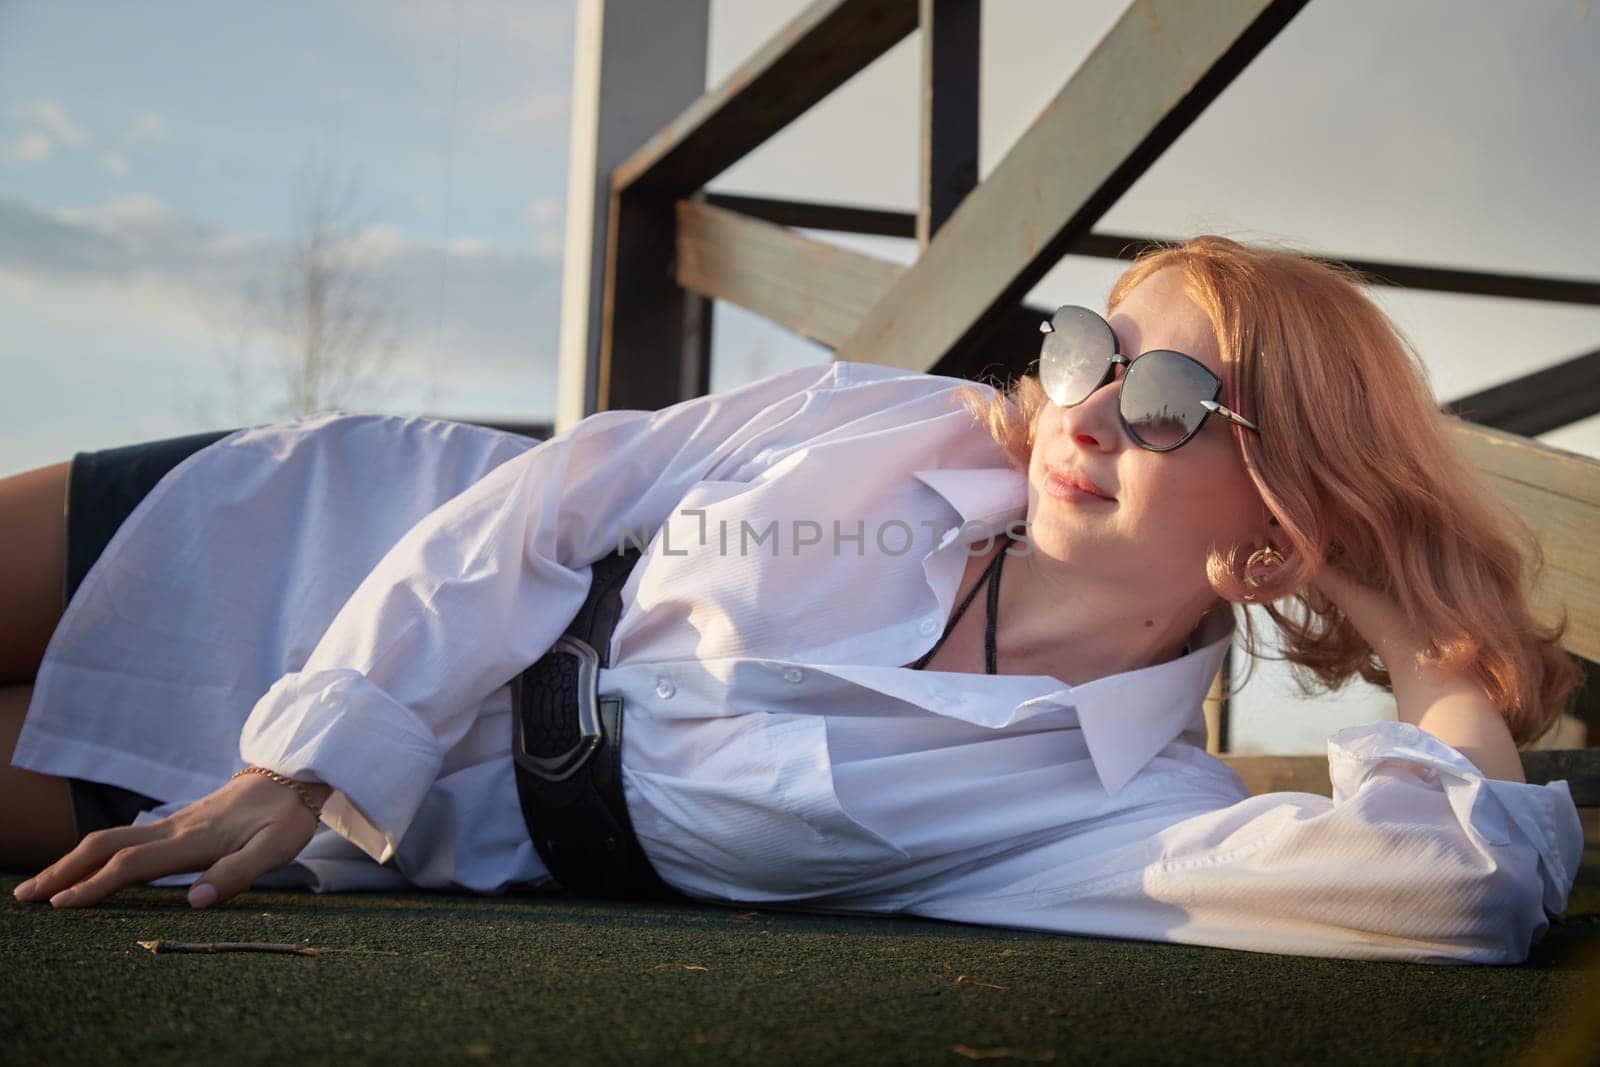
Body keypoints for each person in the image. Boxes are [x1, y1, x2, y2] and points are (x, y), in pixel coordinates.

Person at [2, 235, 1584, 965]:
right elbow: (566, 494)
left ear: (1289, 513)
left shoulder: (1103, 809)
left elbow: (1452, 888)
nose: (1090, 409)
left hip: (396, 832)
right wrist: (306, 753)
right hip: (319, 545)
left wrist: (1428, 652)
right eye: (1093, 349)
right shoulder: (905, 432)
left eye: (1172, 398)